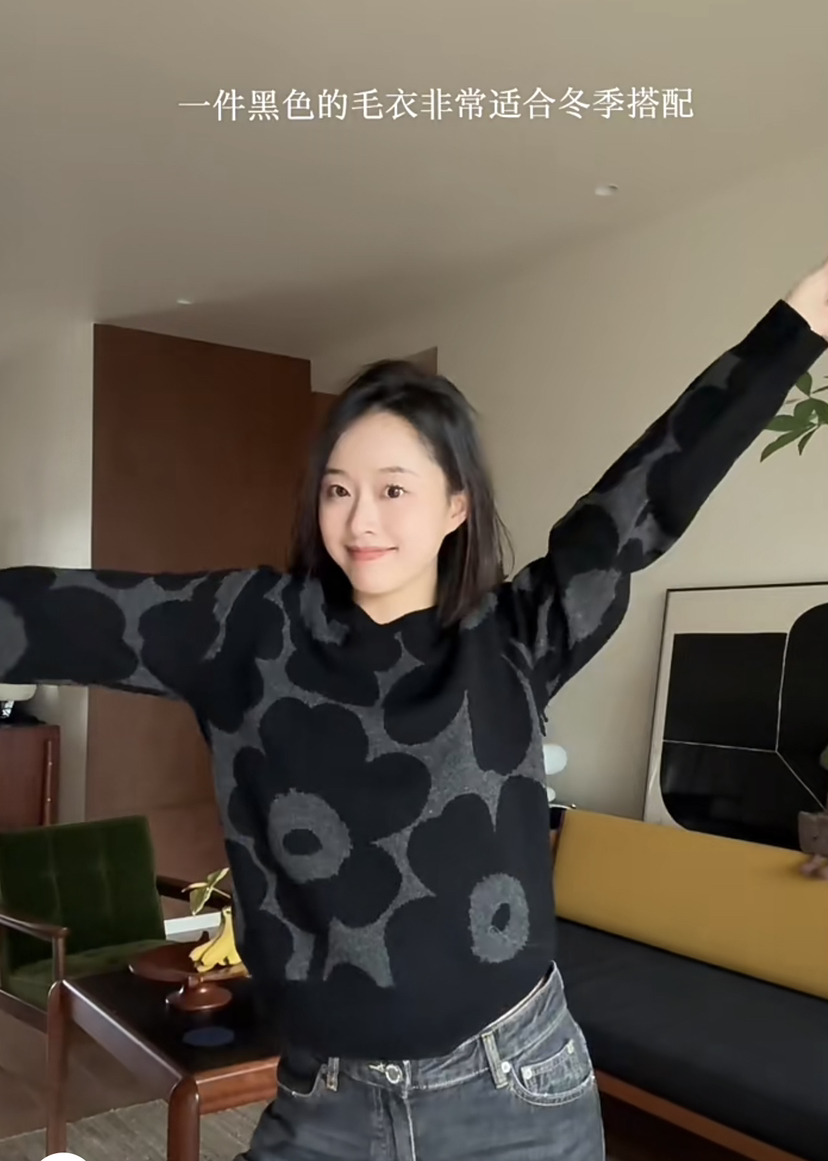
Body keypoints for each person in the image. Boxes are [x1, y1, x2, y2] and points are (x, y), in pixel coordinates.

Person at [1, 258, 827, 1161]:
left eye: (394, 488)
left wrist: (796, 330)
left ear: (455, 505)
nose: (361, 519)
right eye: (338, 488)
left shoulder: (518, 634)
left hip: (517, 1093)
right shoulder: (244, 631)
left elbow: (651, 493)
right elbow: (52, 614)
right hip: (325, 1100)